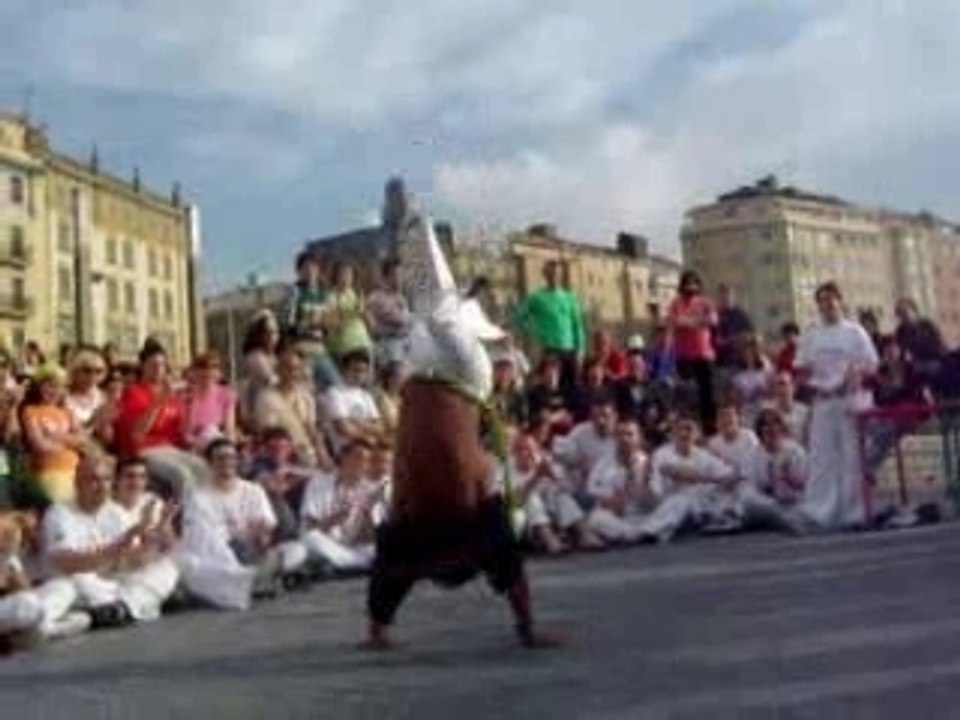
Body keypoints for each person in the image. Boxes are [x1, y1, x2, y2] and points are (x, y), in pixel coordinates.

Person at [795, 281, 879, 531]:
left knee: (851, 458)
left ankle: (852, 513)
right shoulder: (812, 334)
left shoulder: (855, 332)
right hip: (823, 400)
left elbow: (871, 364)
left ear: (840, 301)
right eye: (822, 301)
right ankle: (819, 512)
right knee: (822, 458)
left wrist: (856, 373)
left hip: (848, 401)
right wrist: (811, 380)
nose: (827, 305)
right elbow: (801, 366)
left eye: (831, 300)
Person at [512, 260, 585, 392]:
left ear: (561, 275)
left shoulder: (570, 298)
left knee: (573, 387)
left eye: (557, 273)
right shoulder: (537, 297)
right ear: (545, 275)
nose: (555, 276)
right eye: (551, 273)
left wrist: (580, 350)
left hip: (570, 351)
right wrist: (535, 330)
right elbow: (518, 316)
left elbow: (577, 325)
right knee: (548, 386)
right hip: (550, 349)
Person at [666, 270, 718, 435]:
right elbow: (676, 321)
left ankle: (710, 429)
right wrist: (698, 322)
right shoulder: (676, 303)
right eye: (687, 283)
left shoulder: (705, 302)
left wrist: (690, 322)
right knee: (686, 394)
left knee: (708, 396)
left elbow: (713, 320)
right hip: (684, 356)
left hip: (704, 355)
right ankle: (687, 428)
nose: (691, 287)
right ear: (682, 285)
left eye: (694, 283)